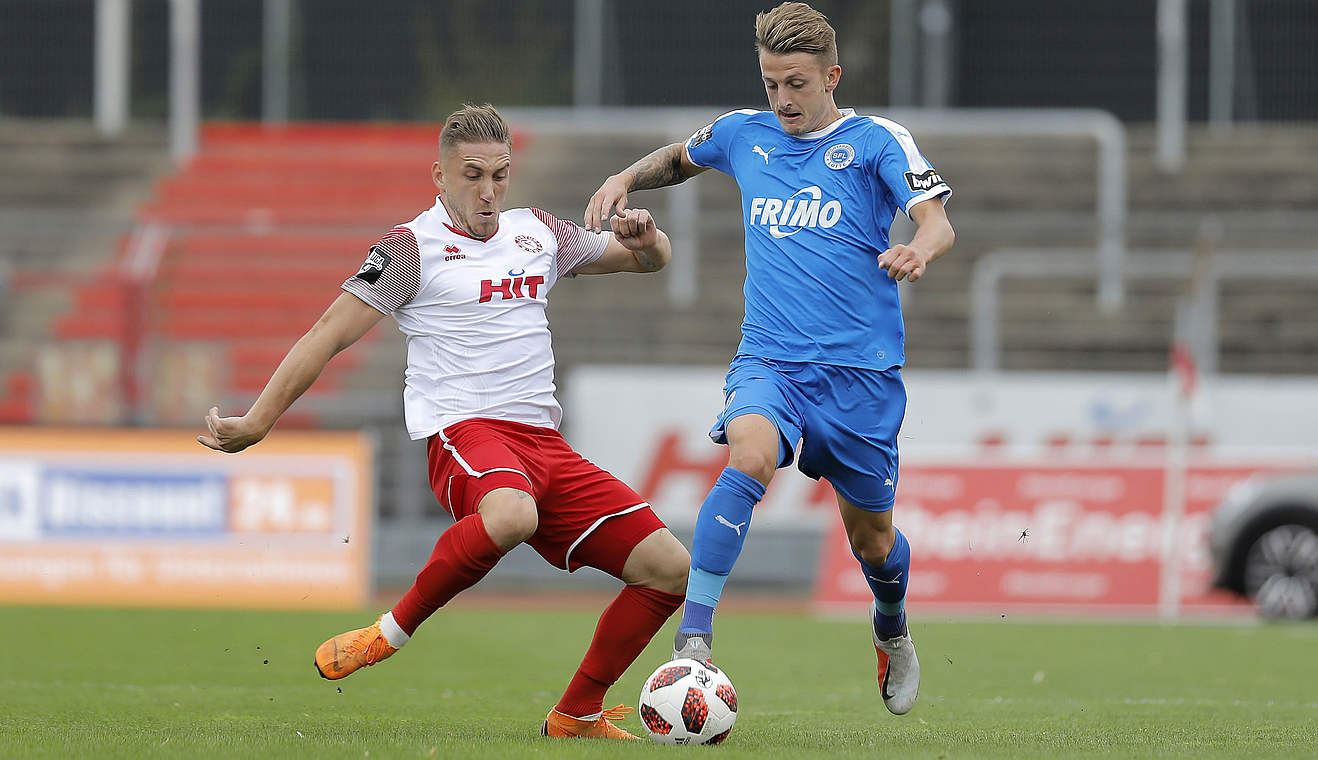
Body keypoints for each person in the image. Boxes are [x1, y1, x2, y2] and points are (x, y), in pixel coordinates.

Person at [198, 104, 689, 741]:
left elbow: (649, 261)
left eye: (500, 175)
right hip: (465, 434)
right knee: (512, 515)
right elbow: (327, 335)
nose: (488, 192)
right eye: (472, 175)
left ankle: (576, 714)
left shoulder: (537, 233)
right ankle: (389, 633)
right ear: (439, 175)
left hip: (542, 444)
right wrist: (258, 421)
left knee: (670, 567)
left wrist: (648, 238)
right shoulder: (411, 250)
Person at [583, 2, 955, 716]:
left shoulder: (876, 141)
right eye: (771, 82)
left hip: (859, 376)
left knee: (873, 542)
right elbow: (678, 159)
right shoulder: (741, 134)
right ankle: (694, 638)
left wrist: (918, 248)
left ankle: (890, 625)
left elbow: (936, 218)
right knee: (748, 458)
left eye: (797, 84)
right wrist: (624, 179)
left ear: (831, 76)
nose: (782, 99)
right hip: (771, 360)